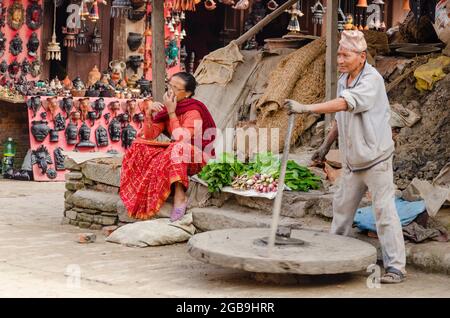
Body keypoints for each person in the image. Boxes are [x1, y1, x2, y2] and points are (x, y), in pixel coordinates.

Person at [284, 31, 406, 284]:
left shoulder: (371, 80)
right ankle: (333, 257)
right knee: (341, 211)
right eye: (339, 54)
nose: (339, 59)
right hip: (353, 160)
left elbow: (343, 105)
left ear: (362, 57)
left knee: (384, 212)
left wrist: (306, 108)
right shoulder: (344, 79)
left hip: (376, 158)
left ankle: (396, 267)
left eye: (345, 55)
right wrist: (325, 146)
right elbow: (342, 118)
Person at [120, 72, 216, 222]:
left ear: (188, 93)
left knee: (177, 147)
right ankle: (144, 191)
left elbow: (181, 138)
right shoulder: (166, 109)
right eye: (170, 85)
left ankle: (180, 196)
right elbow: (149, 135)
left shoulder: (193, 110)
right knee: (138, 145)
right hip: (176, 153)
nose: (170, 91)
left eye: (176, 88)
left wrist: (171, 112)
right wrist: (149, 114)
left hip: (198, 157)